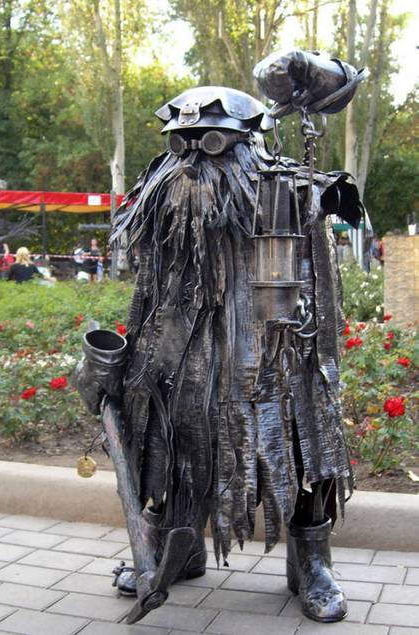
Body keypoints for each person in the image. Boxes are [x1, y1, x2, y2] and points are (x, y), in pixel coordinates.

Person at [77, 50, 366, 625]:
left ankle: (312, 563)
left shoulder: (291, 188)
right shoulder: (157, 196)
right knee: (171, 448)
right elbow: (149, 289)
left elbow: (331, 221)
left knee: (301, 448)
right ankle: (172, 549)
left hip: (278, 355)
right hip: (181, 356)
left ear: (246, 143)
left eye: (210, 143)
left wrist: (313, 82)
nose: (191, 159)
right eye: (179, 143)